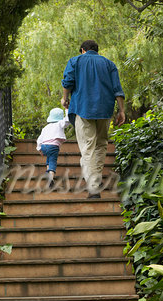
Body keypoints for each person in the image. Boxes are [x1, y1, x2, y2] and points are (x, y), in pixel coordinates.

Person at [61, 39, 125, 198]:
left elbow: (68, 82)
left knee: (87, 147)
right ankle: (95, 179)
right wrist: (122, 110)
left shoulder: (75, 61)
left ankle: (93, 187)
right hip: (105, 109)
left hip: (83, 108)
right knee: (101, 144)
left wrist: (64, 99)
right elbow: (117, 89)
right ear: (97, 50)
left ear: (82, 50)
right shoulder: (109, 64)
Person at [36, 107, 70, 187]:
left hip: (44, 146)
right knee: (52, 161)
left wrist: (39, 148)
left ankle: (48, 172)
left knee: (49, 159)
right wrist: (67, 109)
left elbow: (39, 139)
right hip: (53, 146)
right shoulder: (60, 123)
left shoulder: (45, 128)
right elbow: (68, 120)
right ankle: (50, 178)